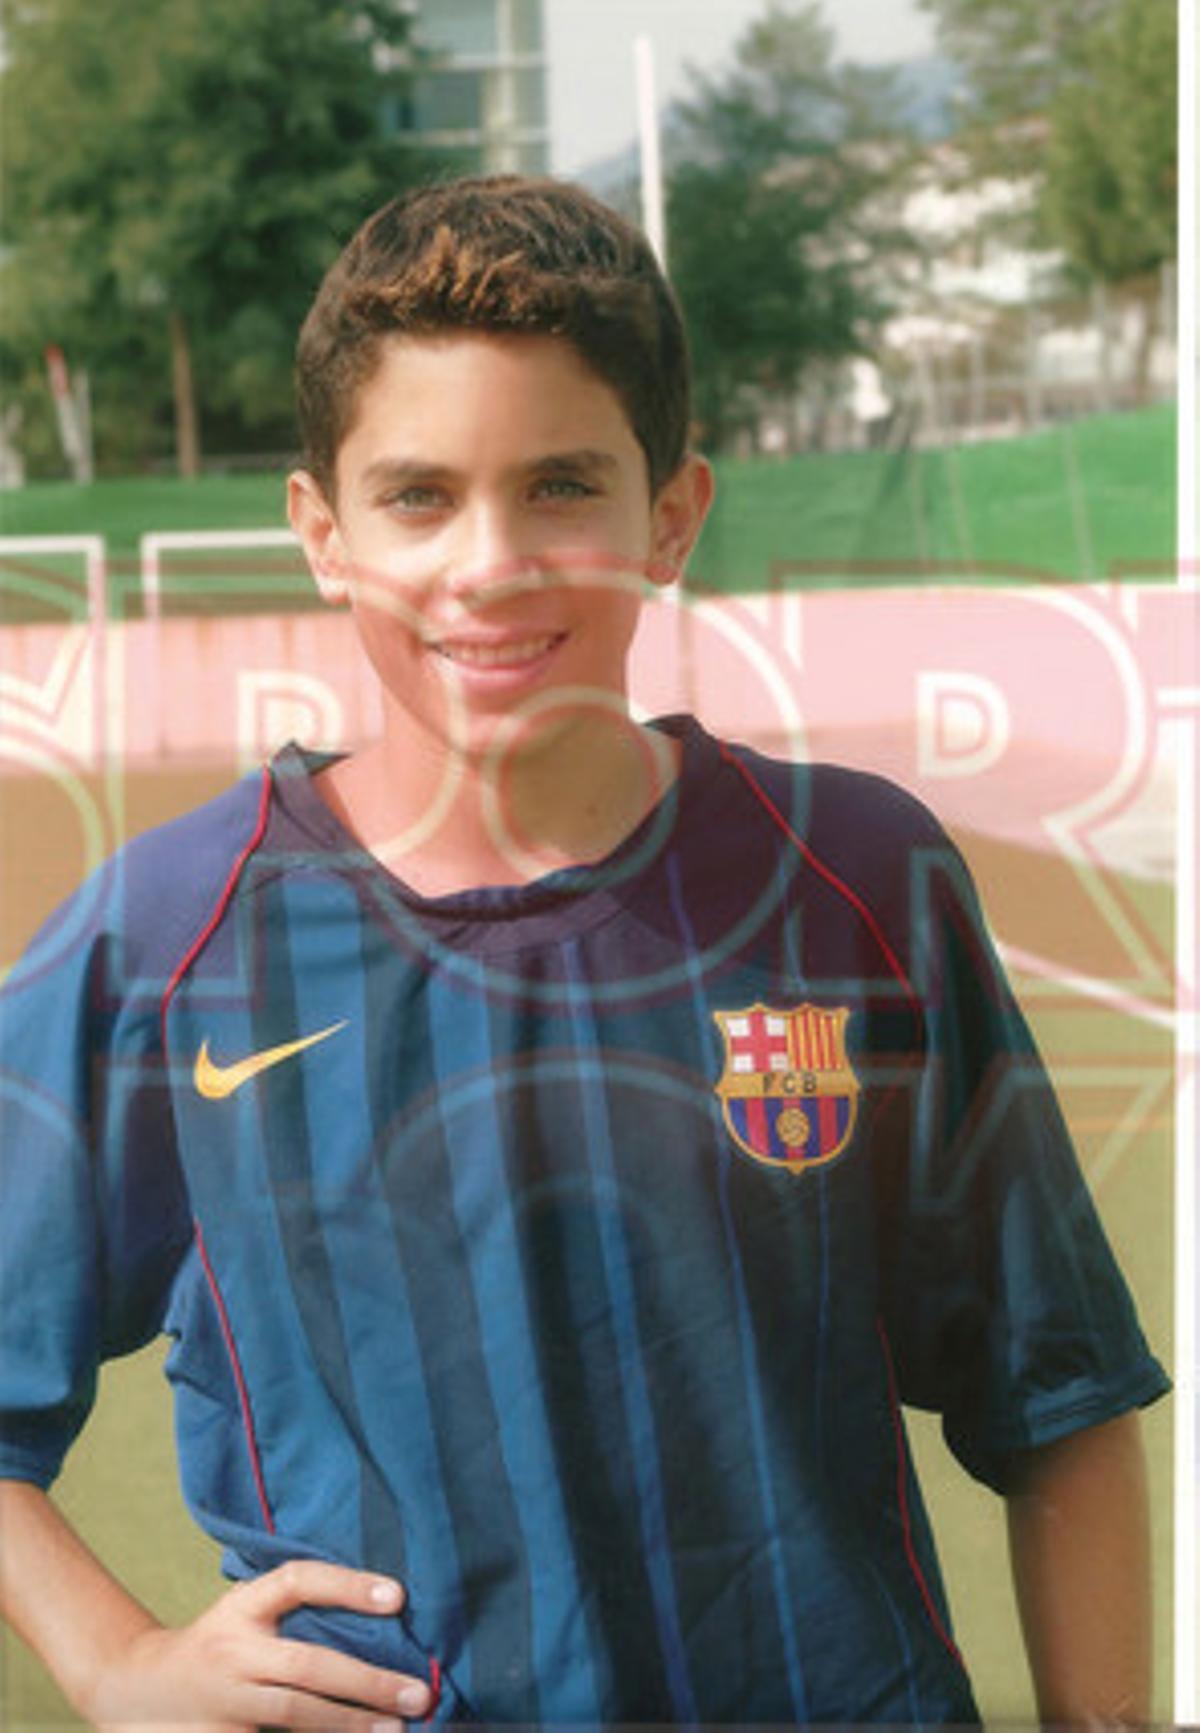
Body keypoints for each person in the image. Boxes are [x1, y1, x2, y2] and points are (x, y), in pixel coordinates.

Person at [0, 175, 1169, 1729]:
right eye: (418, 496)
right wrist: (113, 1660)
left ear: (669, 516)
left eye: (561, 485)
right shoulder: (169, 937)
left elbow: (1058, 1390)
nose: (492, 563)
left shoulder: (857, 880)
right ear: (323, 533)